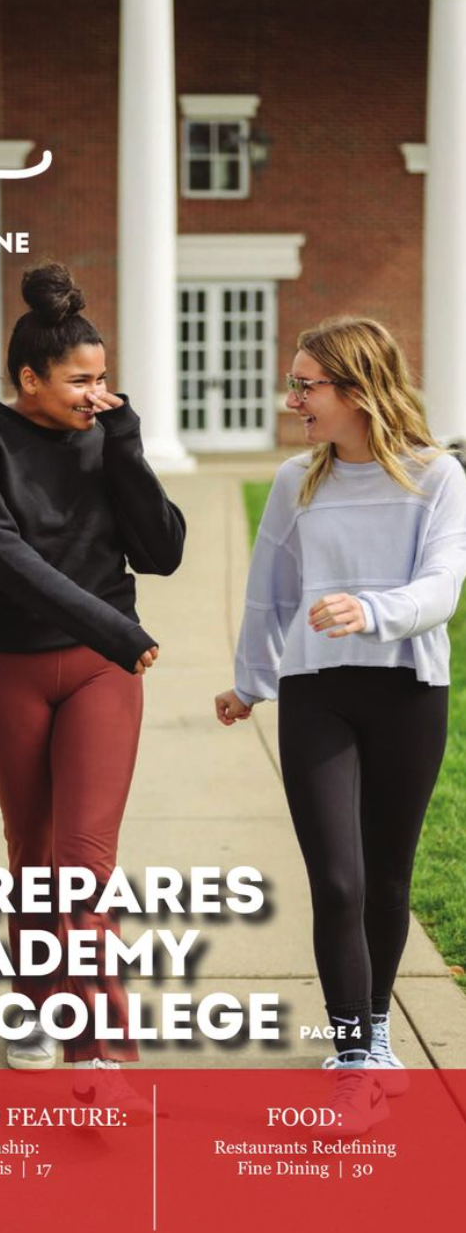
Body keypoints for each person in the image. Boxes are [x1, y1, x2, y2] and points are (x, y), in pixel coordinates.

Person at [216, 317, 466, 1132]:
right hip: (317, 691)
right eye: (294, 384)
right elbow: (270, 589)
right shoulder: (298, 479)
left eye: (305, 386)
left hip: (407, 689)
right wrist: (250, 682)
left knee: (388, 876)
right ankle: (353, 1054)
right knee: (337, 878)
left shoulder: (437, 477)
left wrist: (372, 609)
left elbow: (441, 589)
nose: (293, 401)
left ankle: (378, 1033)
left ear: (356, 392)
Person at [0, 263, 186, 1093]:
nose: (96, 392)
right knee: (34, 852)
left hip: (99, 673)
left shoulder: (106, 433)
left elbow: (161, 551)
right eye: (81, 380)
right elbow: (2, 555)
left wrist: (126, 448)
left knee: (82, 862)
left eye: (104, 377)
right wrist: (113, 625)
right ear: (28, 379)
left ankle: (101, 1050)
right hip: (7, 664)